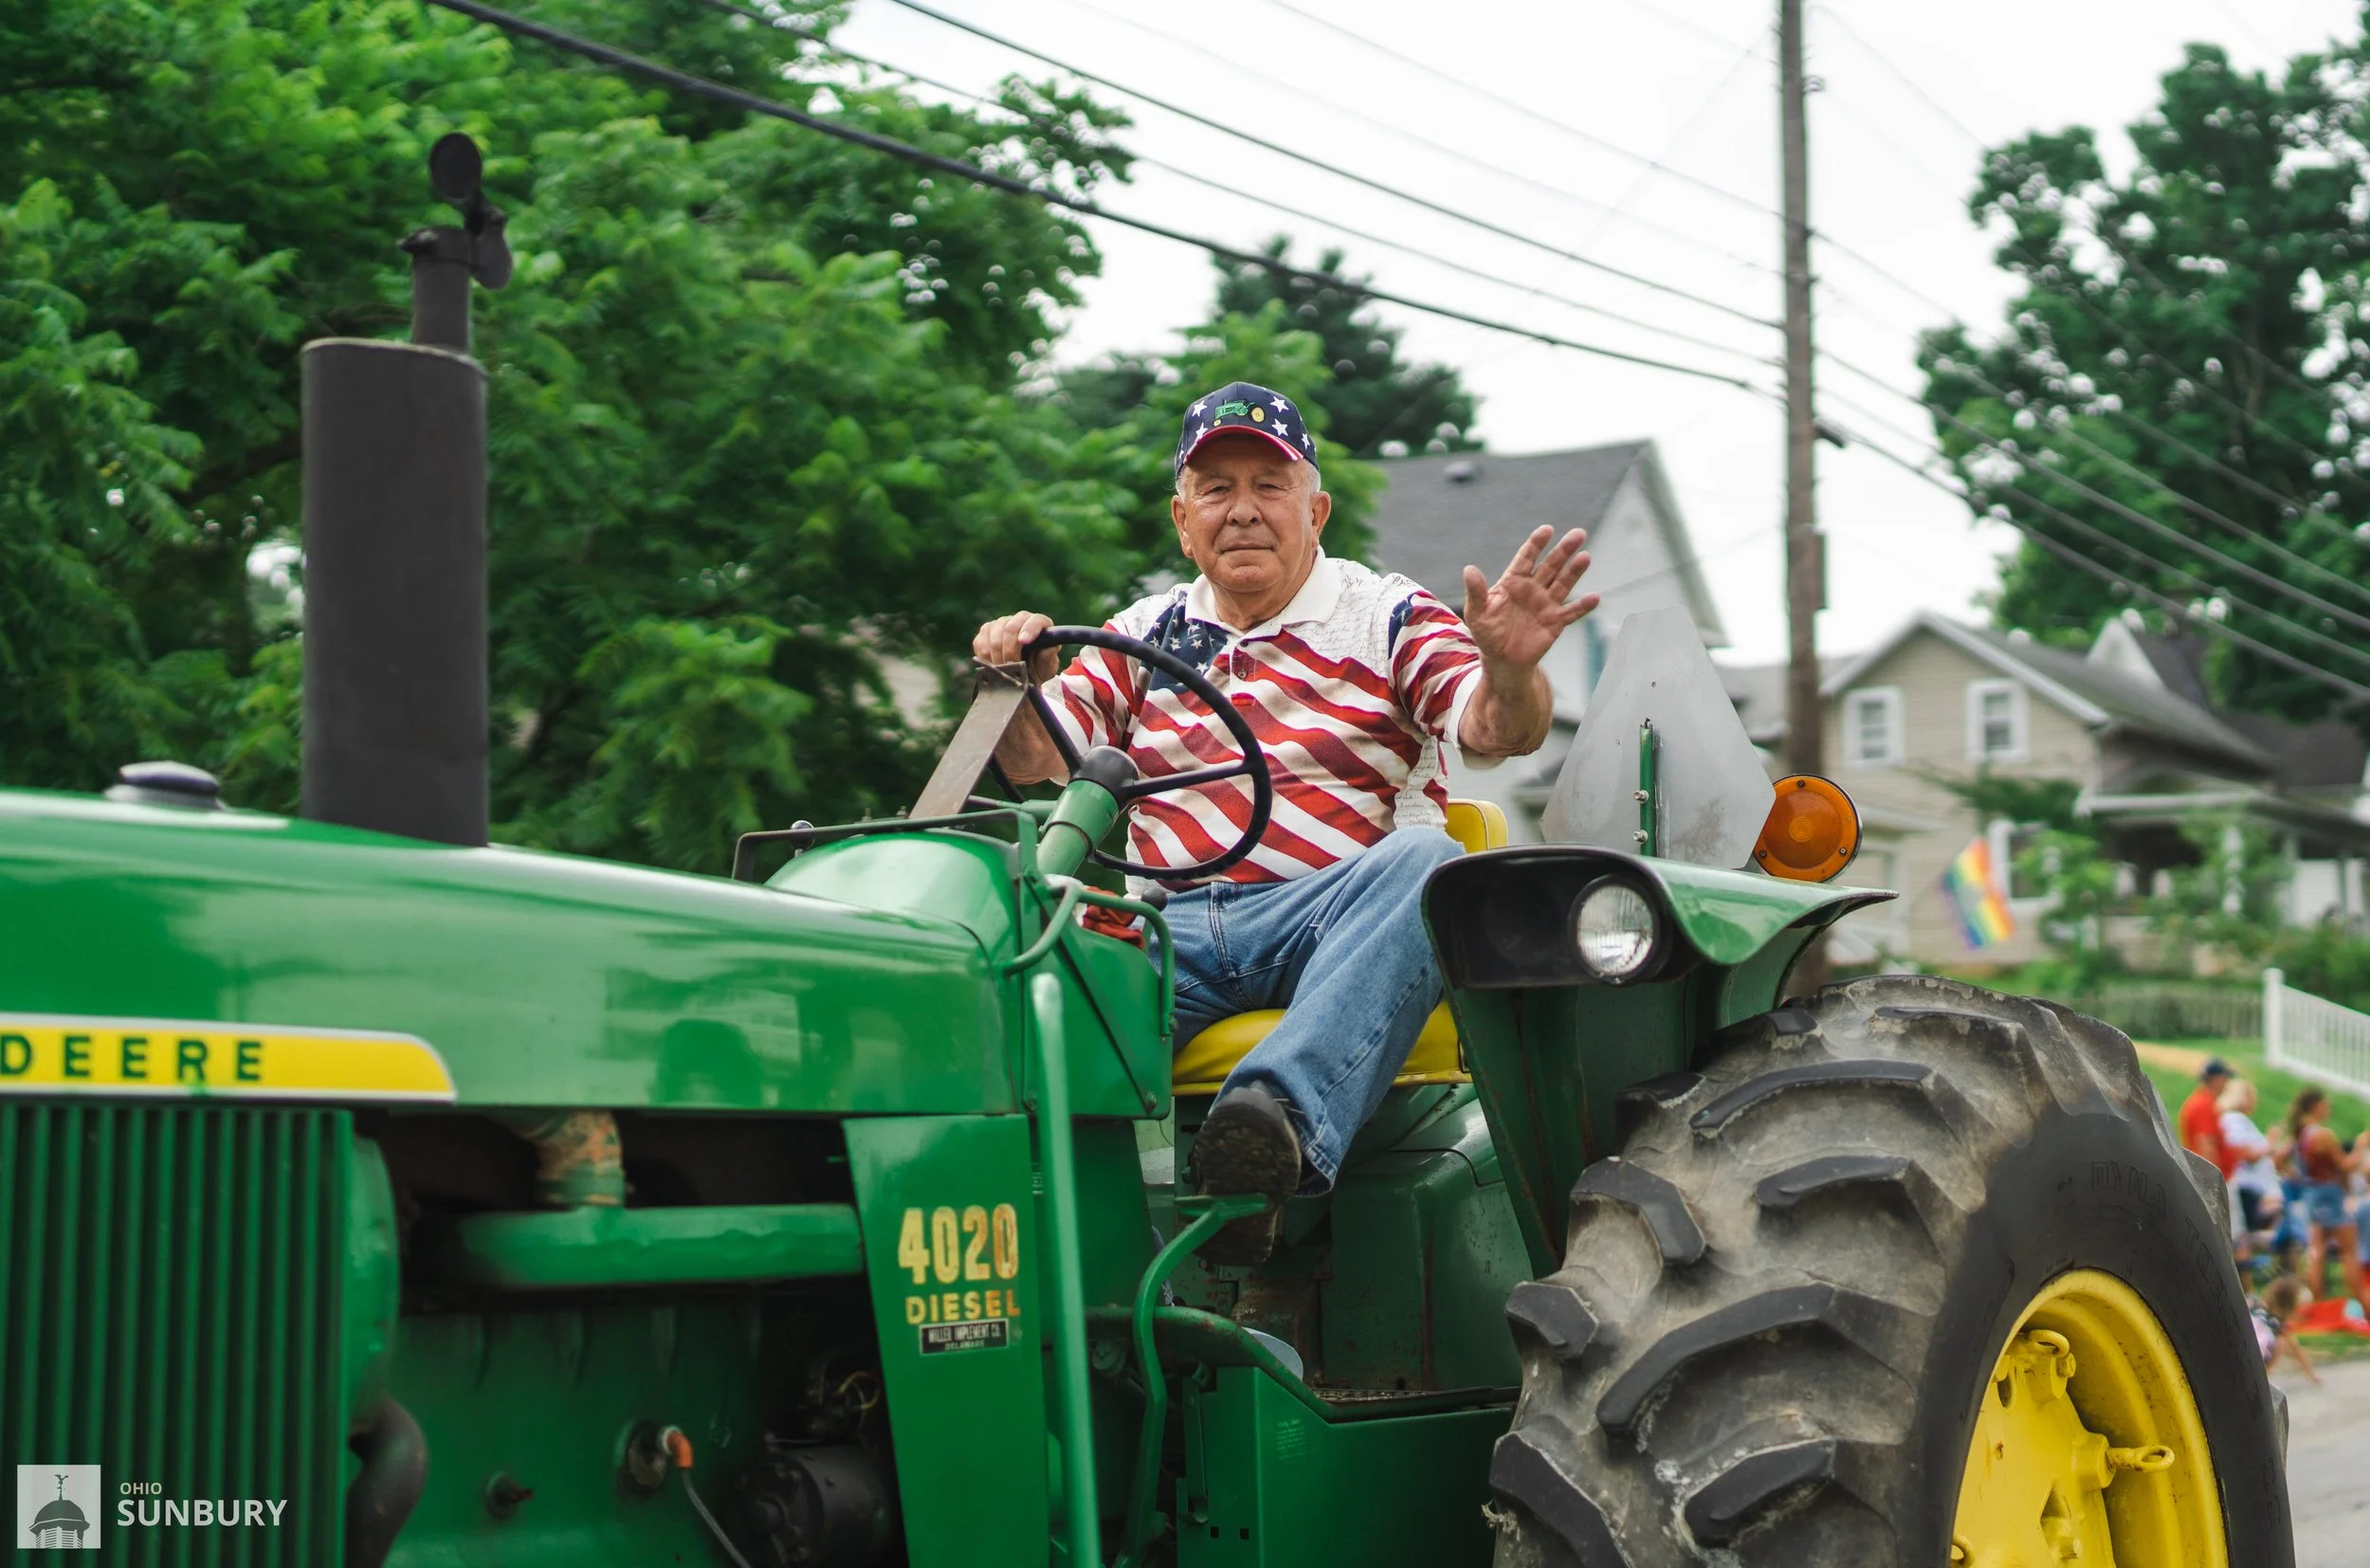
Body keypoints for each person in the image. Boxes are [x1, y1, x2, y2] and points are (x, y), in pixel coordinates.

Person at [975, 382, 1595, 1263]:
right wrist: (1014, 680)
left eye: (1270, 485)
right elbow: (1036, 760)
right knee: (1016, 964)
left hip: (1330, 918)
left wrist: (1509, 669)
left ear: (1316, 511)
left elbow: (1498, 727)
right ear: (1182, 521)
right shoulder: (1143, 632)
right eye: (1216, 489)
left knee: (1428, 862)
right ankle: (1074, 1261)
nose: (1243, 511)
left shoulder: (1388, 615)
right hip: (1167, 932)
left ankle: (1268, 1134)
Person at [2282, 1087, 2361, 1303]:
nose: (2328, 1109)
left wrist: (2298, 1177)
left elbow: (2278, 1160)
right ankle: (2362, 1302)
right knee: (2348, 1251)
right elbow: (2344, 1166)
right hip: (2330, 1193)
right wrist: (2360, 1148)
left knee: (2316, 1250)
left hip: (2311, 1193)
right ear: (2316, 1106)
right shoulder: (2322, 1134)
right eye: (2326, 1105)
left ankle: (2317, 1302)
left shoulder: (2300, 1134)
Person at [2254, 1275, 2320, 1385]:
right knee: (2281, 1343)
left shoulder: (2255, 1306)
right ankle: (2262, 1380)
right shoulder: (2279, 1325)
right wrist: (2312, 1375)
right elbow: (2296, 1350)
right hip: (2256, 1359)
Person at [2178, 1057, 2232, 1175]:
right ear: (2215, 1080)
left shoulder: (2204, 1102)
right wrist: (2214, 1181)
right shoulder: (2203, 1105)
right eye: (2225, 1078)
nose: (2227, 1082)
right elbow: (2207, 1149)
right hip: (2205, 1176)